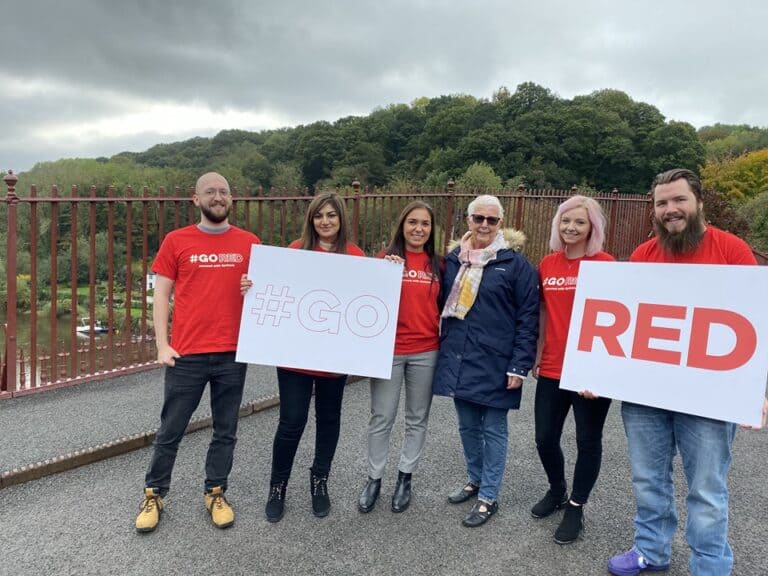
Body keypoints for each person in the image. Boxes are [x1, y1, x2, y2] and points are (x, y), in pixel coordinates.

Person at [607, 169, 767, 576]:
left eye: (678, 200)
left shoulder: (732, 251)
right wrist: (601, 372)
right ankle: (651, 550)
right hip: (646, 395)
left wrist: (757, 389)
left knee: (707, 489)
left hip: (708, 397)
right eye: (661, 203)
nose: (670, 210)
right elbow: (623, 324)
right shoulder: (644, 254)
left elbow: (755, 322)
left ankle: (711, 565)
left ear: (698, 203)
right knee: (647, 480)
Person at [135, 172, 261, 533]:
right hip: (186, 354)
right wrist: (162, 344)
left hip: (233, 353)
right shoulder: (177, 241)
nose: (217, 197)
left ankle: (215, 492)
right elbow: (160, 294)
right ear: (196, 199)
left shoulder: (250, 242)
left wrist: (252, 286)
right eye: (210, 192)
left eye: (223, 191)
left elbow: (267, 291)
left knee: (226, 430)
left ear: (231, 199)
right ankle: (154, 494)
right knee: (170, 430)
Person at [251, 192, 365, 523]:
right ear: (311, 219)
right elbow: (274, 290)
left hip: (334, 359)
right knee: (291, 422)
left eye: (331, 215)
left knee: (329, 420)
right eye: (319, 216)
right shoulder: (294, 251)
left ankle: (320, 480)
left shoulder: (356, 256)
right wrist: (252, 286)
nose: (325, 221)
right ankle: (278, 486)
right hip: (295, 359)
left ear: (341, 219)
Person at [432, 194, 539, 528]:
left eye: (492, 220)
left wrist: (519, 366)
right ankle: (474, 478)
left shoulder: (516, 265)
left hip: (497, 361)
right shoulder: (453, 261)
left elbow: (528, 318)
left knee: (493, 429)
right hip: (460, 358)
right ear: (468, 220)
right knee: (466, 426)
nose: (484, 225)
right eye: (478, 218)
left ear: (500, 223)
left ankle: (488, 496)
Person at [531, 195, 614, 544]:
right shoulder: (547, 264)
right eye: (565, 221)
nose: (571, 227)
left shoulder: (606, 264)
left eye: (579, 222)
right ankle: (558, 489)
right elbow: (544, 313)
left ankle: (577, 508)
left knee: (587, 440)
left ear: (592, 227)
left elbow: (617, 319)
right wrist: (536, 355)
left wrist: (603, 371)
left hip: (590, 370)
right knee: (544, 437)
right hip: (552, 365)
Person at [357, 201, 442, 514]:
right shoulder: (386, 259)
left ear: (431, 229)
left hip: (426, 351)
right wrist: (384, 272)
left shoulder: (439, 264)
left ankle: (405, 477)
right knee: (382, 417)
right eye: (412, 222)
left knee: (417, 418)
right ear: (402, 225)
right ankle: (374, 478)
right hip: (388, 351)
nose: (418, 229)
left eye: (425, 224)